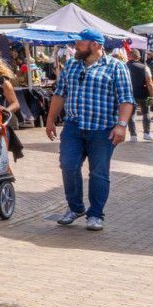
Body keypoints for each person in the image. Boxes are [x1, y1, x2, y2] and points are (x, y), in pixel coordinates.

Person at [46, 29, 134, 232]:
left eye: (80, 43)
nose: (76, 46)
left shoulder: (116, 67)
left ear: (95, 44)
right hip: (74, 127)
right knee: (68, 165)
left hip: (102, 130)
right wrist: (50, 120)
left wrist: (121, 126)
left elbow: (126, 100)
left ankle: (95, 215)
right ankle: (76, 208)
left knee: (99, 173)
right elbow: (60, 94)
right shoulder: (71, 65)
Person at [123, 50, 153, 142]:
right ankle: (146, 134)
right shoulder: (144, 67)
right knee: (146, 112)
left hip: (128, 93)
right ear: (139, 57)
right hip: (143, 93)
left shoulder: (124, 66)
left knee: (130, 114)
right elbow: (150, 83)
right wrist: (152, 96)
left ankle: (133, 135)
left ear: (129, 56)